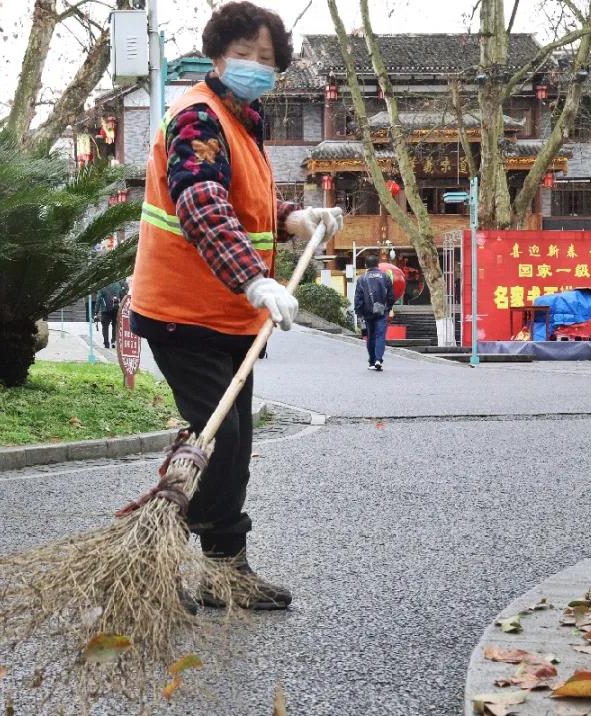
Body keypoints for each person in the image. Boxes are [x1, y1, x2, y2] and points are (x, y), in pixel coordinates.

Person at [128, 1, 343, 610]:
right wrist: (254, 280)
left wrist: (295, 219)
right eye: (243, 54)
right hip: (185, 310)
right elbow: (201, 204)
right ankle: (184, 565)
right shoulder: (197, 118)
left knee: (227, 439)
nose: (253, 66)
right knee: (219, 445)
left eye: (266, 60)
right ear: (218, 53)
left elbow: (244, 206)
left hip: (226, 318)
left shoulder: (241, 121)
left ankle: (210, 567)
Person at [354, 254, 396, 371]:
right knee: (380, 336)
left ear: (366, 265)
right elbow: (391, 296)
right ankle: (379, 359)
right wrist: (388, 307)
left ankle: (372, 361)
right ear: (378, 264)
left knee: (370, 337)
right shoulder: (385, 277)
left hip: (367, 313)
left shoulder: (362, 279)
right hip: (382, 311)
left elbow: (358, 298)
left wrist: (359, 312)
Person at [96, 283, 121, 348]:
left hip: (105, 310)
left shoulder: (102, 285)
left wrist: (96, 312)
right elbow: (121, 295)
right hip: (115, 309)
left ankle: (106, 343)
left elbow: (98, 299)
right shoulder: (117, 284)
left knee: (105, 327)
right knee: (115, 325)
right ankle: (114, 341)